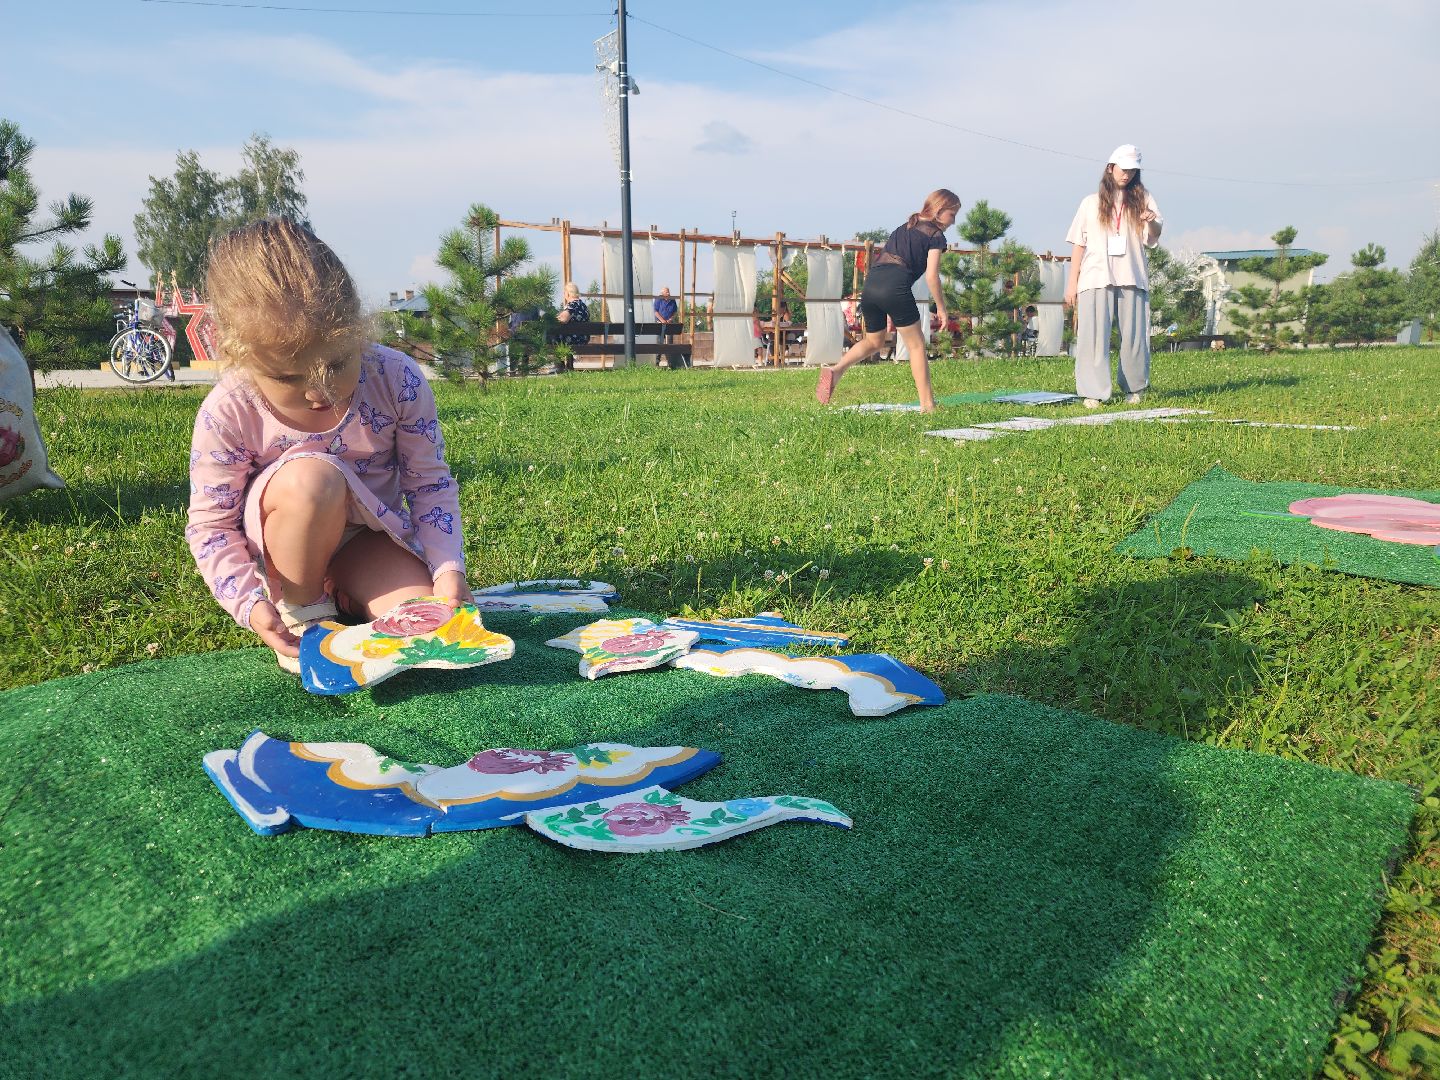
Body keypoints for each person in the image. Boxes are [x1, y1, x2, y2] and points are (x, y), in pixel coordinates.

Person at [186, 217, 471, 674]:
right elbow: (211, 525)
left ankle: (342, 591)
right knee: (312, 479)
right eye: (287, 378)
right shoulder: (230, 410)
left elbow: (429, 484)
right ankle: (305, 608)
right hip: (286, 553)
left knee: (426, 626)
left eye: (337, 363)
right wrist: (250, 604)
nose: (320, 393)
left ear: (358, 330)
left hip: (366, 540)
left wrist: (446, 570)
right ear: (237, 353)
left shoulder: (395, 378)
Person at [816, 190, 957, 412]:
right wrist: (941, 307)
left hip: (872, 285)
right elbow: (932, 276)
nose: (954, 221)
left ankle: (836, 370)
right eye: (952, 214)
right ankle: (928, 405)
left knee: (874, 341)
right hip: (895, 286)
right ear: (939, 210)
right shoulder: (936, 236)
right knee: (917, 345)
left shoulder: (906, 226)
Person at [1063, 144, 1163, 407]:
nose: (1126, 175)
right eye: (1123, 169)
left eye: (1132, 171)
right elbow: (1078, 243)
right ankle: (1093, 391)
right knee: (1093, 337)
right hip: (1095, 277)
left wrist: (1149, 219)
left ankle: (1134, 387)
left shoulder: (1144, 199)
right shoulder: (1090, 203)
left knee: (1134, 336)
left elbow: (1154, 234)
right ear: (1110, 167)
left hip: (1132, 276)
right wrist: (1071, 283)